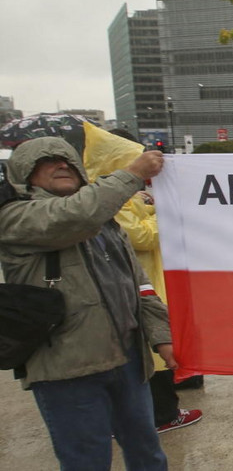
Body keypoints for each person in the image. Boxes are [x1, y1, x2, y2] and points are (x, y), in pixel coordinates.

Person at [0, 137, 174, 470]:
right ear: (23, 175)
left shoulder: (104, 220)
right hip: (68, 369)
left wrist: (161, 335)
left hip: (129, 361)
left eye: (66, 159)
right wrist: (132, 173)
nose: (60, 164)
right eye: (46, 161)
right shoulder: (16, 216)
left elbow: (139, 283)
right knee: (87, 461)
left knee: (148, 452)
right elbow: (73, 217)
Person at [107, 129, 204, 434]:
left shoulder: (119, 194)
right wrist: (166, 214)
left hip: (148, 281)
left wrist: (149, 205)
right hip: (138, 284)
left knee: (160, 344)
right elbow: (141, 235)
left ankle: (161, 408)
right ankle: (163, 414)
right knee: (154, 350)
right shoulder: (112, 199)